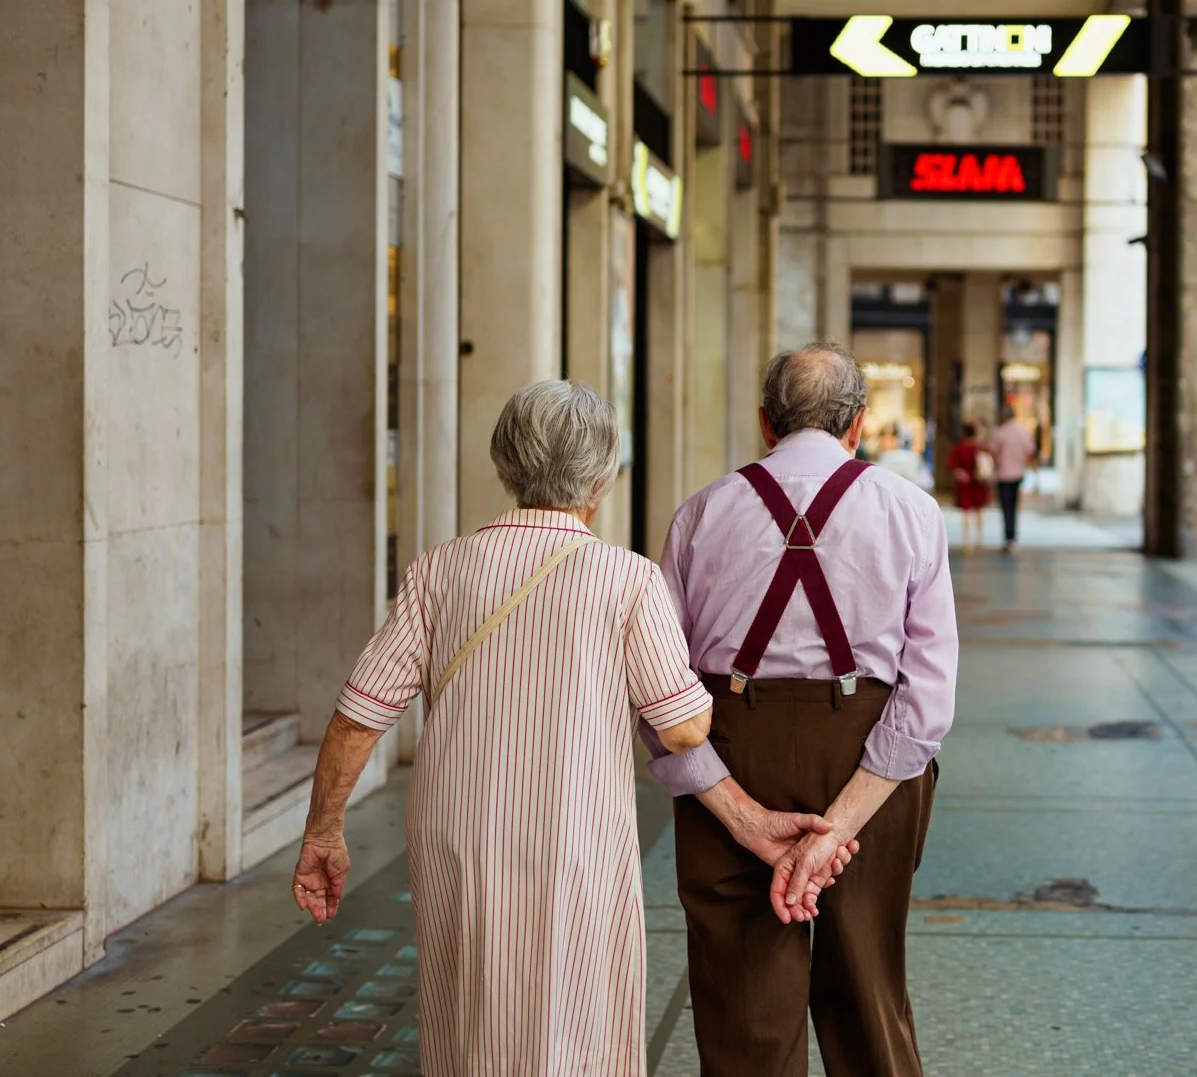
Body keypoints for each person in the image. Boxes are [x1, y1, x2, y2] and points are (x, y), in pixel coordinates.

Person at [291, 380, 854, 1076]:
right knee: (576, 1017)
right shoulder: (626, 580)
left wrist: (324, 830)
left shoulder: (438, 570)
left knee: (465, 1011)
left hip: (457, 836)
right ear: (602, 477)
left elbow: (357, 719)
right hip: (575, 837)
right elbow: (682, 730)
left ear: (506, 463)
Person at [655, 342, 958, 1076]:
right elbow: (927, 697)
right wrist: (837, 831)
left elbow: (659, 687)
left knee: (742, 1002)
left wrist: (734, 810)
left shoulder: (700, 514)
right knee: (868, 984)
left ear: (766, 423)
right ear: (856, 426)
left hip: (731, 748)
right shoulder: (910, 512)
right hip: (869, 756)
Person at [986, 405, 1038, 552]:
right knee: (1014, 506)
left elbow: (993, 453)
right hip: (1018, 474)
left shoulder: (1000, 432)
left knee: (1006, 507)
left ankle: (1008, 537)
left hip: (1003, 474)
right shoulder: (1023, 432)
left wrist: (997, 466)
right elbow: (1029, 452)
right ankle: (1012, 537)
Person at [948, 420, 992, 552]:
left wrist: (961, 475)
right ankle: (980, 540)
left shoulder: (959, 448)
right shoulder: (981, 447)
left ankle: (967, 542)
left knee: (966, 513)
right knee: (979, 512)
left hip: (965, 484)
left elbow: (952, 466)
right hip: (978, 483)